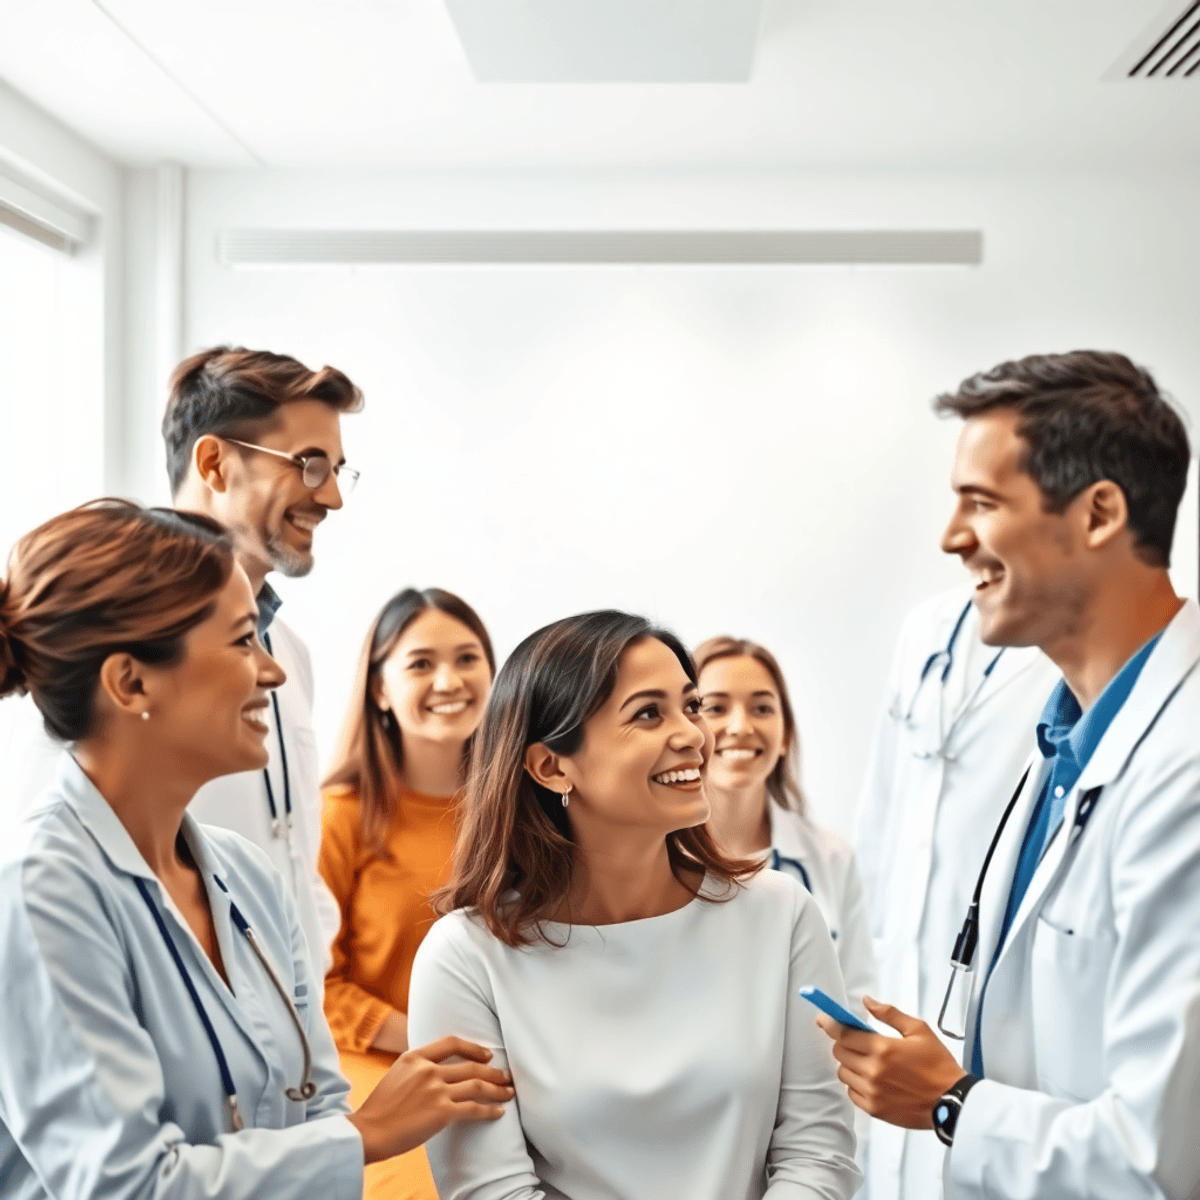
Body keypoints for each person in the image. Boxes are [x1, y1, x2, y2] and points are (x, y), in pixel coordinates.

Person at [0, 500, 514, 1199]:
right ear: (131, 681)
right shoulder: (39, 892)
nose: (273, 675)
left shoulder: (247, 874)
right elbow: (124, 1187)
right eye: (244, 641)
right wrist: (367, 1134)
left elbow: (314, 1107)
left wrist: (350, 1133)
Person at [818, 351, 1200, 1200]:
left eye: (982, 503)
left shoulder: (1186, 768)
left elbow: (1159, 1160)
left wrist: (953, 1104)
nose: (951, 537)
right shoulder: (1065, 747)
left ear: (1100, 512)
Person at [408, 610, 861, 1200]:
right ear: (551, 766)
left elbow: (818, 1153)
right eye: (649, 713)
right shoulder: (466, 957)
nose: (696, 736)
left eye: (690, 706)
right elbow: (489, 1190)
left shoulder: (783, 916)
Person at [853, 591, 1058, 1200]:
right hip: (897, 970)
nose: (960, 534)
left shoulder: (1059, 642)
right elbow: (881, 807)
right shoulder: (926, 628)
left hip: (982, 979)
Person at [165, 345, 361, 980]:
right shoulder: (118, 646)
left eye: (337, 470)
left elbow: (292, 857)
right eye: (308, 465)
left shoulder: (290, 656)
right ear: (216, 464)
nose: (331, 497)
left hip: (289, 1038)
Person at [320, 587, 495, 1200]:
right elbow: (314, 984)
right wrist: (428, 1041)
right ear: (379, 689)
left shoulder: (523, 815)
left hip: (500, 1062)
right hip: (379, 1066)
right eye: (421, 663)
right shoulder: (339, 817)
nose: (449, 680)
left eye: (467, 658)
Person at [695, 635, 876, 1018]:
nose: (740, 726)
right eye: (715, 708)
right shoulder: (648, 856)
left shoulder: (831, 858)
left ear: (785, 736)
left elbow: (857, 1003)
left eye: (761, 708)